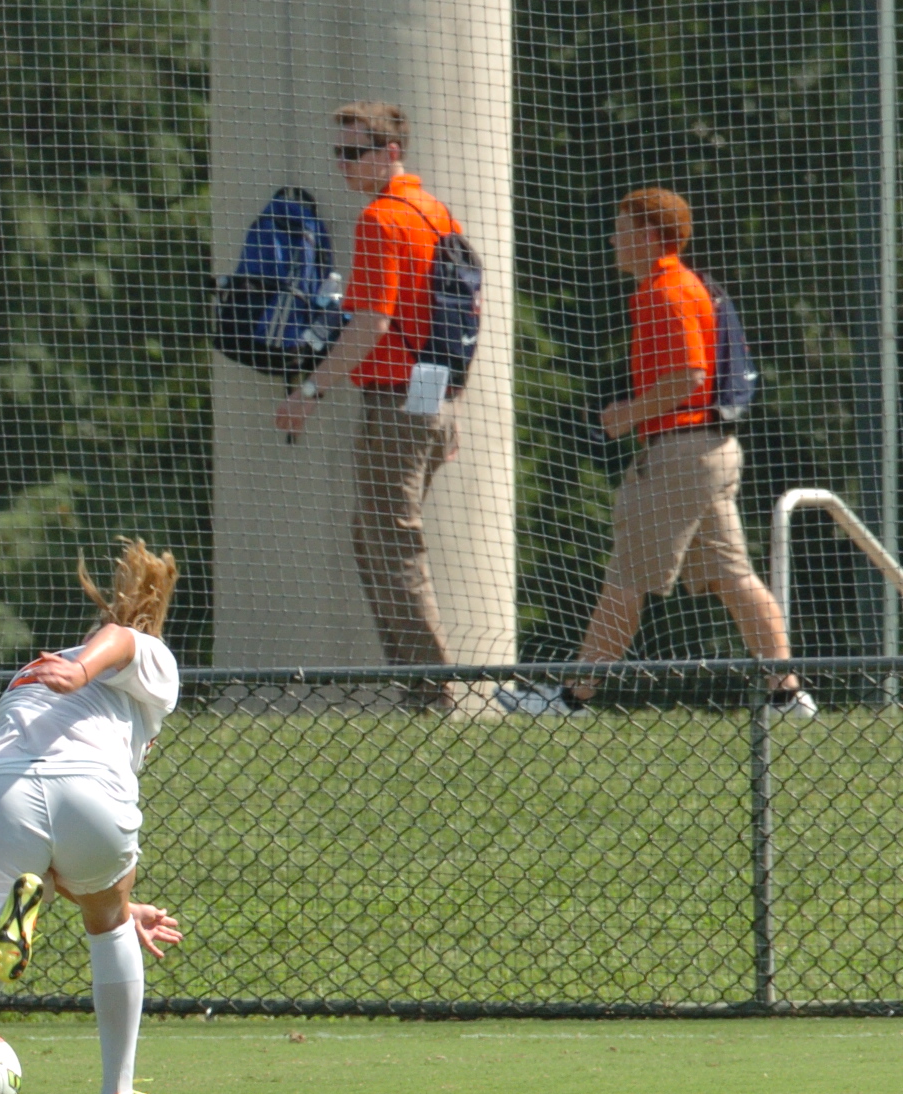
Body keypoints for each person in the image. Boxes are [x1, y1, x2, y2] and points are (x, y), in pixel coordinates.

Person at [501, 187, 817, 721]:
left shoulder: (664, 290)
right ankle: (788, 696)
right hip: (711, 449)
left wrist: (628, 414)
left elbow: (689, 375)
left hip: (680, 453)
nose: (613, 240)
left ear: (649, 236)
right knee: (732, 577)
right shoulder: (680, 284)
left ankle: (572, 698)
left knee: (626, 578)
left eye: (622, 230)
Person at [0, 538, 186, 1094]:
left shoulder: (29, 671)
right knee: (109, 926)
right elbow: (121, 638)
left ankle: (14, 914)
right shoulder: (150, 655)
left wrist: (89, 892)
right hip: (91, 788)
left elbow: (45, 818)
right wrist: (83, 669)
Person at [273, 101, 464, 695]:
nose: (343, 164)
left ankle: (433, 690)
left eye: (354, 153)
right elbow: (454, 317)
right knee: (373, 537)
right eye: (338, 153)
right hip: (429, 395)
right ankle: (418, 683)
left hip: (395, 403)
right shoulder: (434, 212)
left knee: (391, 543)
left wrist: (309, 390)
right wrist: (446, 408)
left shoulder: (381, 219)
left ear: (390, 152)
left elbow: (371, 325)